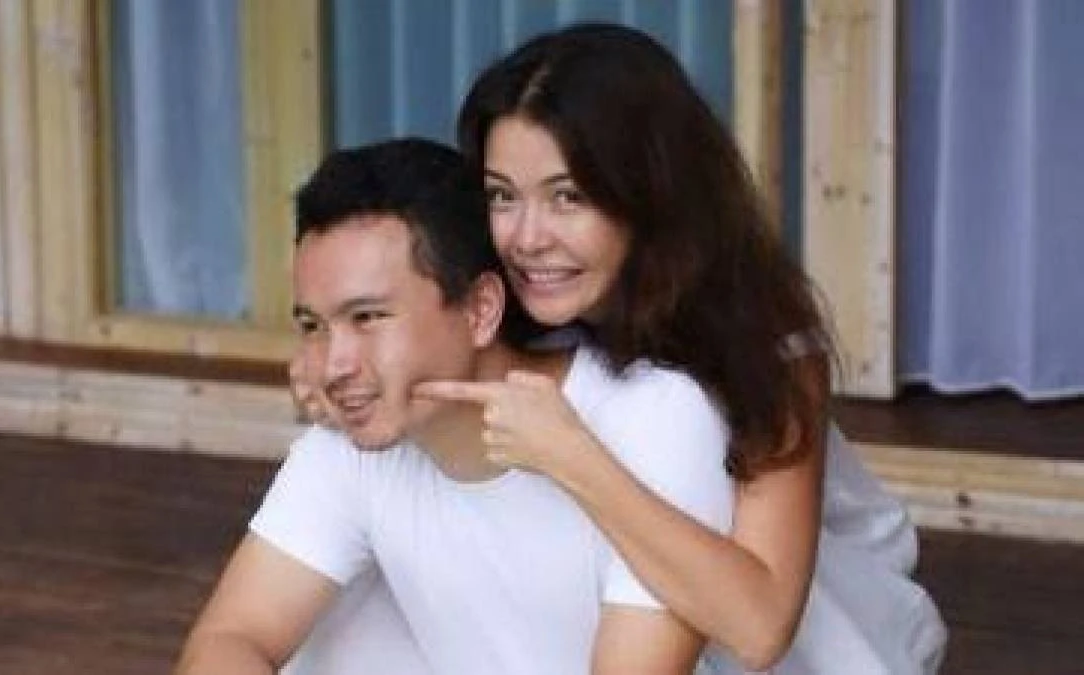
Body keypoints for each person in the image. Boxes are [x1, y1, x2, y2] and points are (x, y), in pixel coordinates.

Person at [293, 23, 947, 675]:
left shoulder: (765, 345)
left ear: (648, 192)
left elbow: (761, 627)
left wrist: (573, 455)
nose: (527, 238)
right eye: (502, 195)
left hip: (799, 630)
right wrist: (338, 369)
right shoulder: (507, 301)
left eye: (567, 197)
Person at [176, 138, 736, 674]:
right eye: (313, 327)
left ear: (480, 309)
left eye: (367, 318)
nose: (333, 365)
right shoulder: (355, 442)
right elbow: (232, 636)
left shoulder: (651, 415)